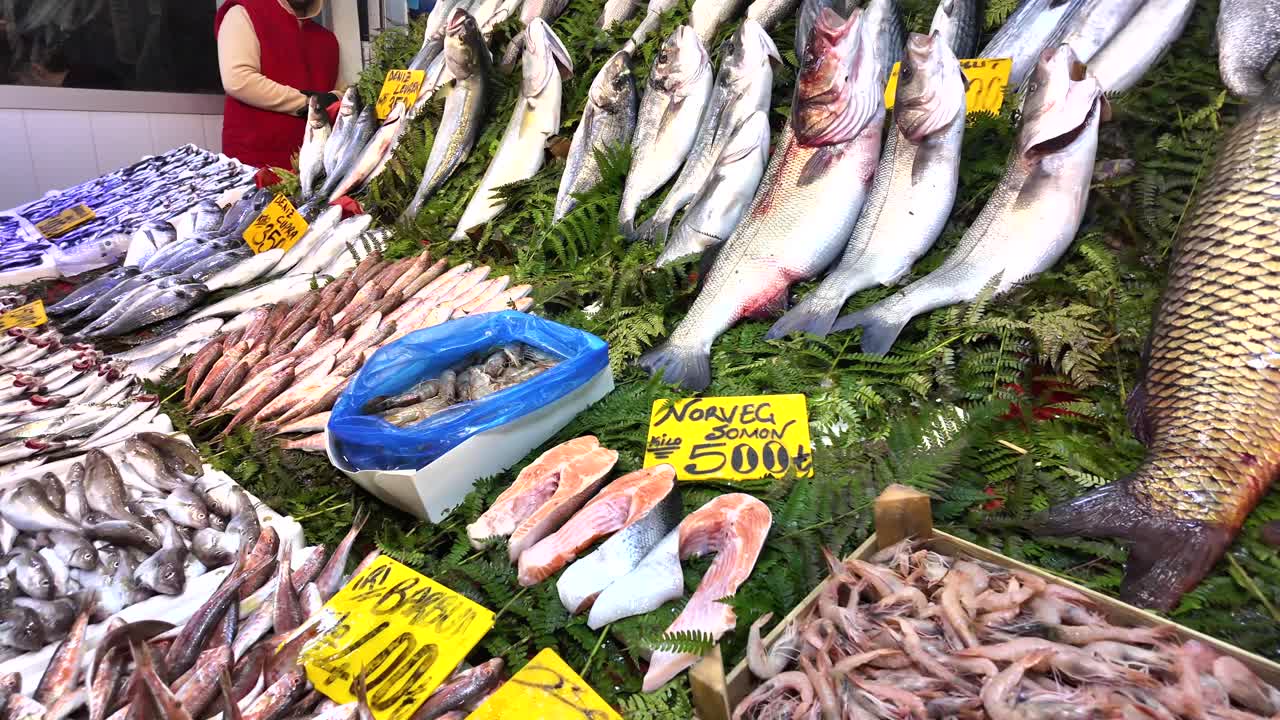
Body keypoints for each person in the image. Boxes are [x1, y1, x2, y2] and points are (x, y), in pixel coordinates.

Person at [215, 0, 341, 169]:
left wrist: (338, 97)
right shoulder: (244, 12)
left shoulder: (327, 40)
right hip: (253, 163)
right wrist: (309, 102)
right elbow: (239, 80)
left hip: (312, 165)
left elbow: (339, 92)